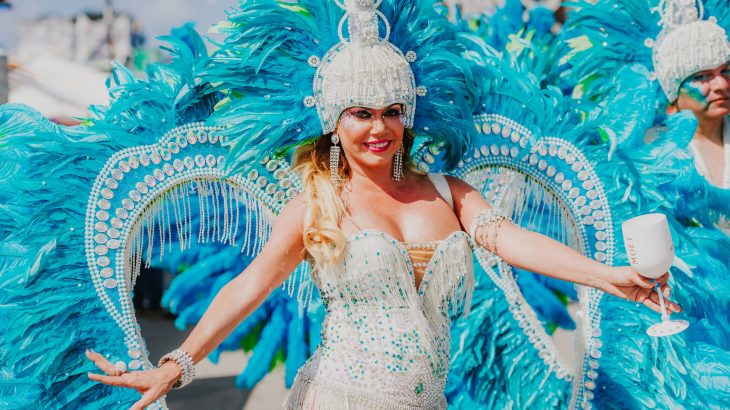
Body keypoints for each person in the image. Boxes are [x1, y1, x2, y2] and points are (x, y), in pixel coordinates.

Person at [84, 2, 679, 408]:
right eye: (361, 114)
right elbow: (247, 288)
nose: (379, 129)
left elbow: (515, 242)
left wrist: (609, 277)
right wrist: (176, 365)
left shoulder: (450, 192)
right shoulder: (318, 202)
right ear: (333, 123)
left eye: (392, 112)